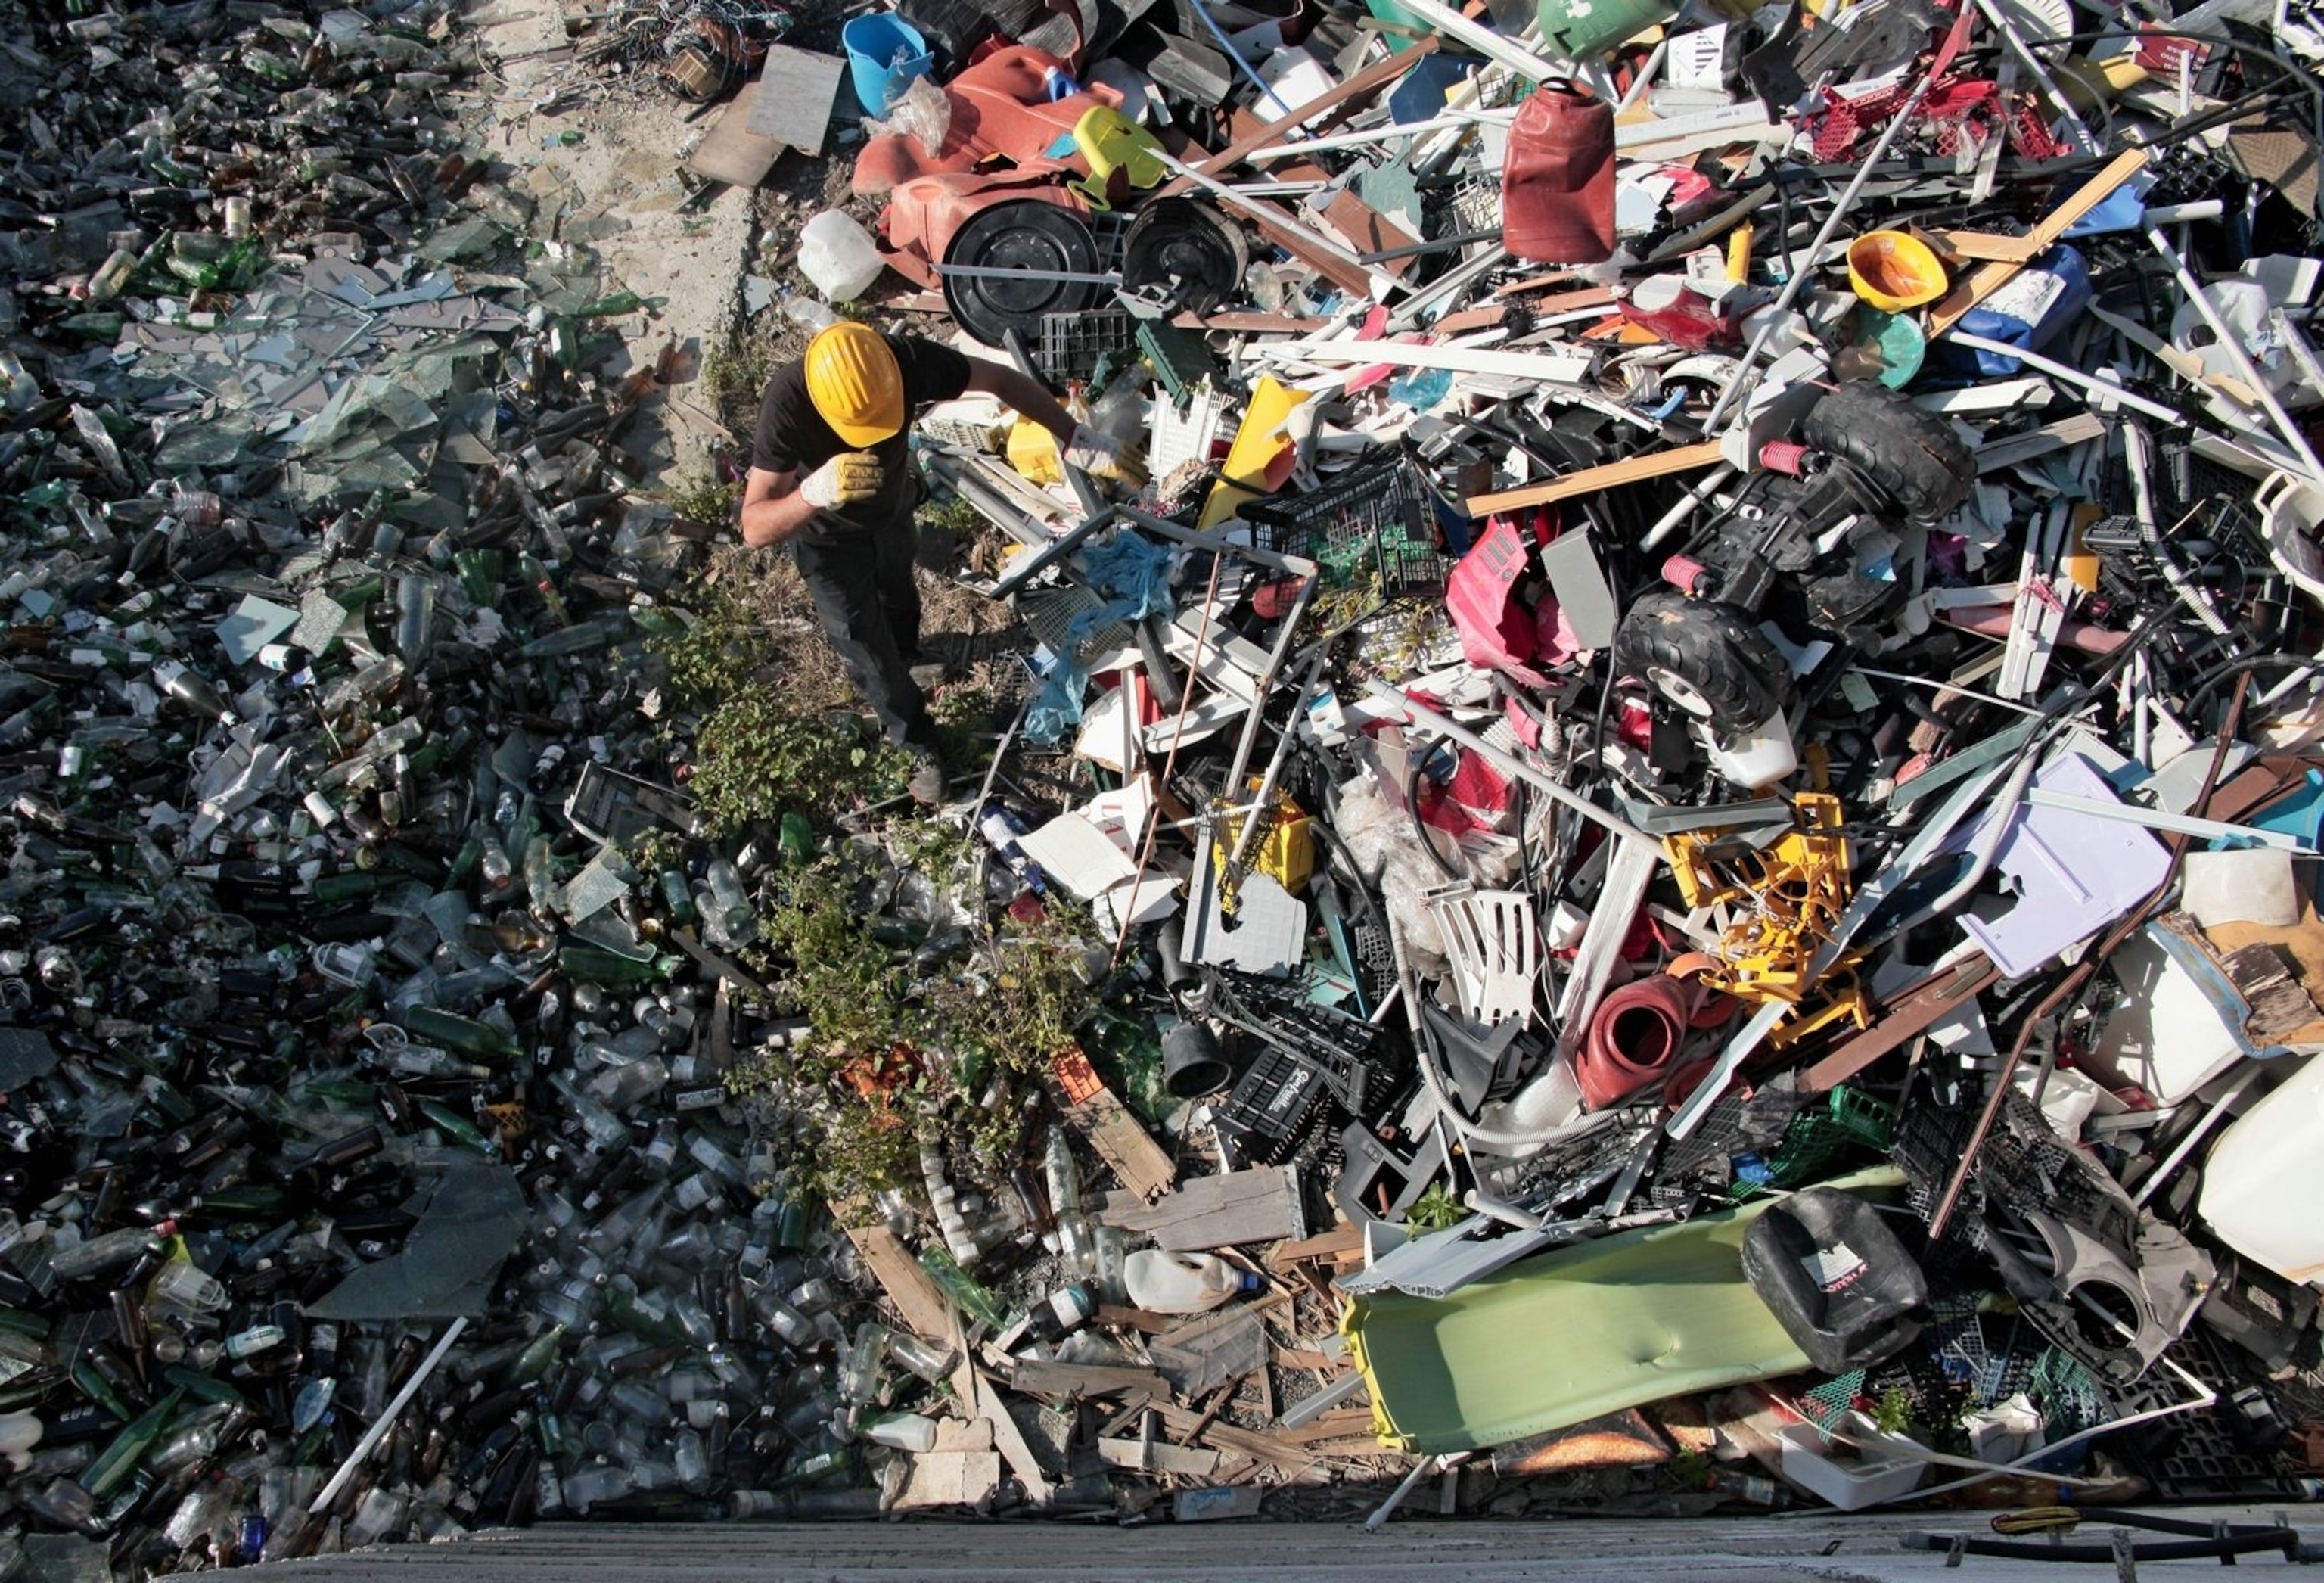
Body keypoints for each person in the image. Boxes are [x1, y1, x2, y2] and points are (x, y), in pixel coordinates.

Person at [740, 323, 1132, 804]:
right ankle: (914, 741)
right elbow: (754, 526)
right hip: (826, 539)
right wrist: (813, 493)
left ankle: (909, 655)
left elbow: (1002, 383)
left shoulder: (899, 361)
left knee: (899, 587)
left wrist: (1073, 435)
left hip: (889, 510)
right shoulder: (790, 402)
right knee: (862, 641)